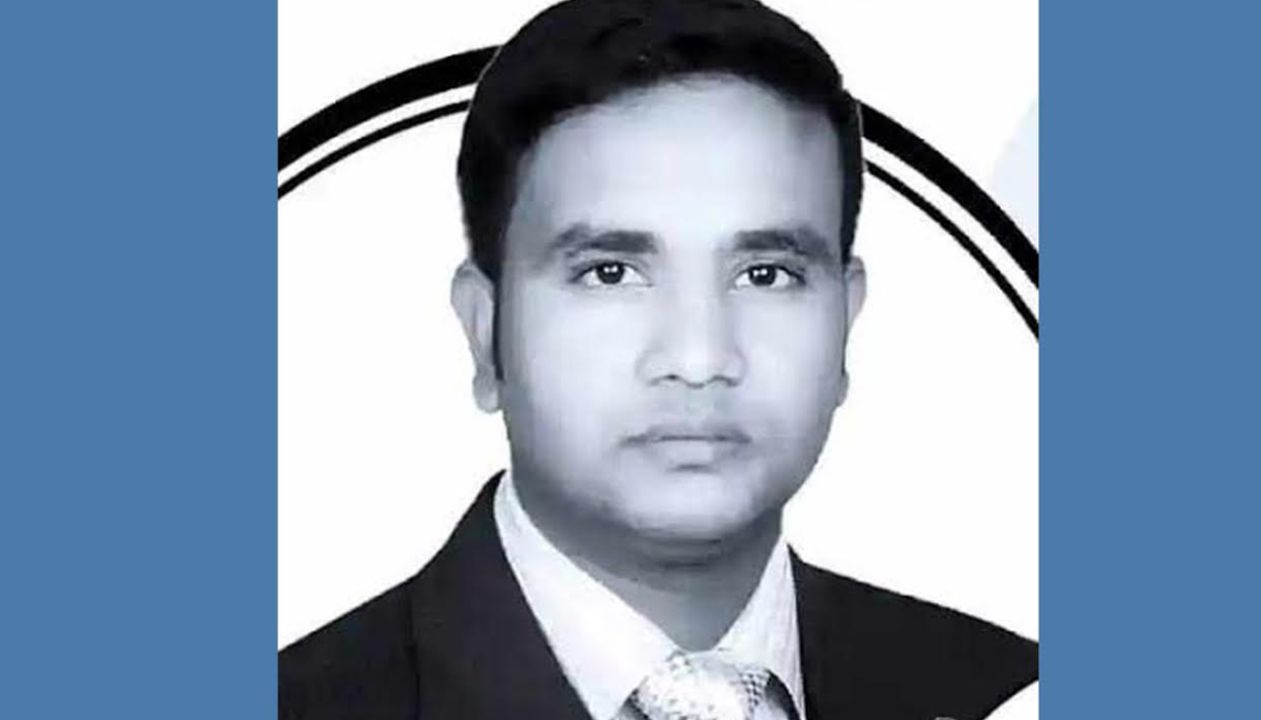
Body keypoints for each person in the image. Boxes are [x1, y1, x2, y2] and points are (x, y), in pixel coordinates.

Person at [278, 1, 1038, 718]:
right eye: (610, 273)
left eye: (765, 274)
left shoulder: (1009, 693)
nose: (700, 359)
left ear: (846, 318)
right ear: (484, 331)